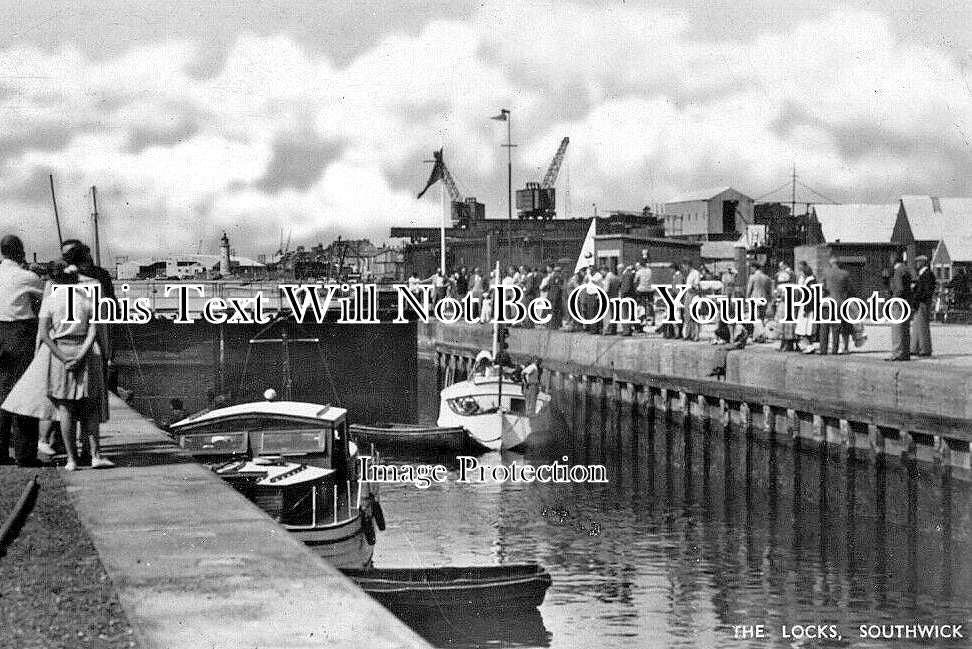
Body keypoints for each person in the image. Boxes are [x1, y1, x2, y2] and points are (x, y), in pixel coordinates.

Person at [3, 263, 113, 470]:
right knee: (89, 409)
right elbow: (94, 332)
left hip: (59, 352)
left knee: (65, 409)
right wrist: (80, 356)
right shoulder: (88, 300)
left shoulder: (50, 301)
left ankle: (71, 460)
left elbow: (44, 334)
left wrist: (62, 356)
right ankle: (95, 455)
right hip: (85, 354)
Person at [0, 235, 44, 466]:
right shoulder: (27, 277)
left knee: (2, 391)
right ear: (21, 252)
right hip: (19, 333)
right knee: (25, 392)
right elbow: (45, 299)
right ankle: (25, 454)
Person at [820, 257, 854, 355]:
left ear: (830, 263)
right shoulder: (845, 274)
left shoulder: (825, 272)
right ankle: (835, 350)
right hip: (839, 303)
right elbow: (849, 290)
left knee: (824, 327)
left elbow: (822, 287)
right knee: (836, 328)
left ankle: (823, 350)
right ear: (839, 264)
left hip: (827, 303)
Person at [886, 256, 913, 361]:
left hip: (898, 303)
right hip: (907, 302)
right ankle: (905, 353)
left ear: (894, 260)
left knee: (897, 329)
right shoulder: (906, 269)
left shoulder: (898, 271)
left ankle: (897, 353)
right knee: (905, 329)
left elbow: (899, 288)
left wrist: (893, 299)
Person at [910, 255, 934, 357]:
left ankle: (925, 349)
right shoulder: (924, 274)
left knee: (922, 326)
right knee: (917, 326)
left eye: (918, 262)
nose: (916, 264)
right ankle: (914, 348)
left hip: (922, 302)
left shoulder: (927, 275)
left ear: (923, 262)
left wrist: (918, 297)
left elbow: (926, 290)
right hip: (920, 302)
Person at [794, 261, 818, 354]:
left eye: (801, 271)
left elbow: (810, 296)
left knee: (806, 328)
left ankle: (808, 346)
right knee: (804, 328)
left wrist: (806, 309)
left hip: (807, 307)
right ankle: (805, 345)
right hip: (804, 306)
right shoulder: (806, 280)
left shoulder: (810, 281)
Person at [745, 262, 773, 343]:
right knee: (762, 318)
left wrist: (747, 300)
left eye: (751, 268)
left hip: (754, 299)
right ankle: (761, 335)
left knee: (753, 318)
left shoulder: (752, 277)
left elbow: (749, 290)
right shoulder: (766, 277)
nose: (750, 269)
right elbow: (769, 291)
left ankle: (753, 335)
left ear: (754, 268)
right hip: (763, 299)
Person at [681, 259, 702, 341]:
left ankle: (696, 335)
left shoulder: (695, 273)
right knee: (687, 317)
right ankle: (687, 334)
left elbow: (696, 285)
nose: (684, 268)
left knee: (694, 316)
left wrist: (691, 287)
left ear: (687, 265)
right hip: (688, 295)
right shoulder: (688, 274)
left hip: (693, 295)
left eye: (684, 266)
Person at [634, 261, 653, 330]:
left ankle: (641, 319)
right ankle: (651, 319)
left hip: (641, 290)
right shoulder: (650, 270)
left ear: (641, 266)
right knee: (650, 304)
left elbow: (635, 281)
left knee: (640, 306)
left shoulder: (639, 272)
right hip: (649, 290)